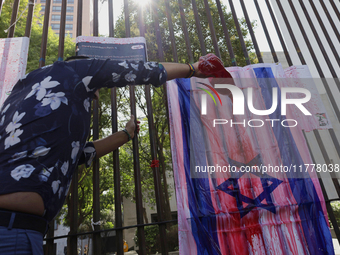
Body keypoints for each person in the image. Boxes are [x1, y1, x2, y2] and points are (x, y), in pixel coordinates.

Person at [0, 56, 210, 254]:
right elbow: (137, 70)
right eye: (93, 95)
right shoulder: (77, 71)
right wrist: (192, 69)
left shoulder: (23, 91)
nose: (94, 99)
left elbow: (77, 155)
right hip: (12, 230)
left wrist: (126, 135)